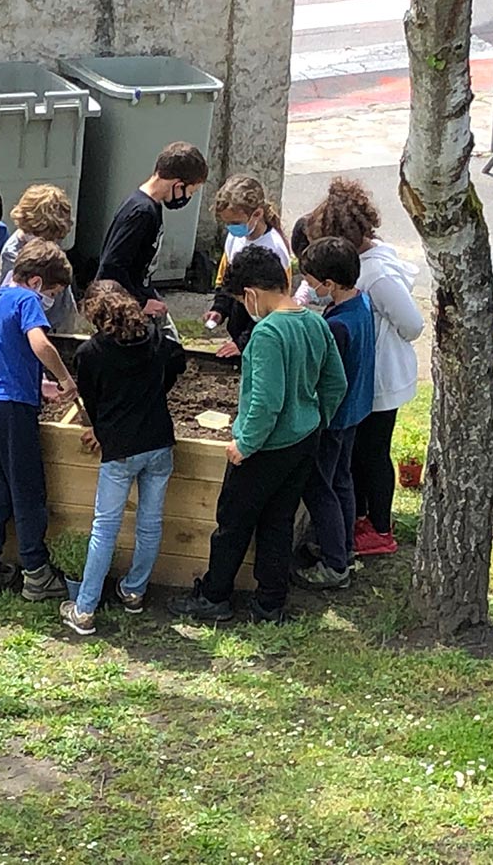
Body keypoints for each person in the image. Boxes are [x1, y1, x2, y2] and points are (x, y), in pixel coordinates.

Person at [167, 246, 346, 624]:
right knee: (278, 522)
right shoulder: (315, 322)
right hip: (304, 440)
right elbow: (336, 381)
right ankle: (269, 603)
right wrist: (317, 417)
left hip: (265, 447)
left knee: (232, 522)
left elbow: (266, 401)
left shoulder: (266, 334)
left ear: (249, 294)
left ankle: (214, 596)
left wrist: (244, 443)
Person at [297, 177, 425, 556]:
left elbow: (413, 324)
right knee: (359, 454)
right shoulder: (366, 263)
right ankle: (362, 515)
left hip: (381, 376)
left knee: (372, 453)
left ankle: (380, 529)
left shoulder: (377, 275)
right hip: (368, 371)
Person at [60, 281, 188, 635]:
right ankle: (134, 590)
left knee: (105, 527)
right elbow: (179, 360)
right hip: (159, 440)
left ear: (95, 316)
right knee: (150, 522)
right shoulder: (154, 341)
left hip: (119, 448)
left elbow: (92, 400)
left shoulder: (90, 354)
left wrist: (101, 427)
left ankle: (84, 609)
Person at [0, 239, 79, 602]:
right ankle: (36, 574)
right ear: (35, 282)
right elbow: (40, 344)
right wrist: (64, 378)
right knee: (29, 494)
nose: (51, 299)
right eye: (53, 291)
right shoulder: (28, 300)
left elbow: (6, 353)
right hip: (15, 412)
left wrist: (39, 383)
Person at [292, 238, 376, 591]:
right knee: (342, 479)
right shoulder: (362, 303)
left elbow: (329, 379)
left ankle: (334, 564)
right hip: (356, 411)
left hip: (333, 417)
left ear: (329, 284)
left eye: (312, 282)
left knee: (319, 487)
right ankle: (344, 547)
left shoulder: (337, 326)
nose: (309, 289)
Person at [96, 141, 210, 318]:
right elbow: (111, 267)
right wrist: (141, 302)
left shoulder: (153, 207)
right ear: (178, 185)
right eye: (191, 192)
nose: (188, 198)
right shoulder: (141, 212)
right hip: (123, 307)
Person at [203, 174, 291, 359]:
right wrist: (219, 309)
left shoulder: (274, 249)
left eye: (235, 223)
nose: (230, 229)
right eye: (226, 223)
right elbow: (227, 280)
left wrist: (244, 342)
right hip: (241, 330)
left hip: (262, 337)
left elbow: (272, 307)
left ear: (257, 214)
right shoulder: (234, 237)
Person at [0, 184, 82, 333]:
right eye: (45, 238)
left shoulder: (51, 244)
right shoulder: (12, 256)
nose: (51, 245)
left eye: (55, 239)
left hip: (59, 321)